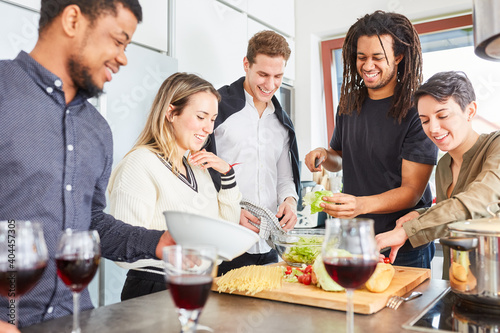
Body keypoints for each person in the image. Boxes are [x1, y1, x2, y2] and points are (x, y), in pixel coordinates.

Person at [0, 1, 175, 330]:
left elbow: (92, 224)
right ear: (72, 20)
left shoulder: (97, 129)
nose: (123, 57)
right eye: (118, 40)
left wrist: (158, 242)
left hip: (78, 320)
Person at [304, 11, 438, 268]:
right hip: (355, 239)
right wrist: (323, 154)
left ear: (398, 57)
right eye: (361, 57)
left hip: (400, 242)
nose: (367, 66)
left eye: (378, 57)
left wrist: (360, 205)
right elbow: (339, 157)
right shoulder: (349, 102)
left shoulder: (417, 110)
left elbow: (411, 192)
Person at [108, 72, 242, 300]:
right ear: (171, 112)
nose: (209, 128)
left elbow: (223, 237)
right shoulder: (140, 163)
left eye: (212, 119)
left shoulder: (198, 168)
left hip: (200, 286)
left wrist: (227, 176)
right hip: (156, 290)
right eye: (201, 117)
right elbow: (122, 248)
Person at [375, 71, 500, 278]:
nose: (433, 128)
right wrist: (421, 214)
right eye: (424, 120)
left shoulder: (496, 145)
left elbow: (478, 201)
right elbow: (451, 216)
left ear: (470, 111)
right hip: (458, 280)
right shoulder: (443, 165)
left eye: (443, 116)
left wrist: (409, 230)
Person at [205, 30, 300, 275]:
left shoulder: (282, 122)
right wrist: (229, 212)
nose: (270, 85)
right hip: (224, 242)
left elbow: (284, 178)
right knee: (223, 313)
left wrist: (290, 201)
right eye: (263, 74)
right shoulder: (216, 107)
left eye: (278, 76)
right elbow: (197, 174)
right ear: (246, 64)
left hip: (268, 246)